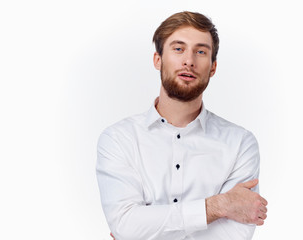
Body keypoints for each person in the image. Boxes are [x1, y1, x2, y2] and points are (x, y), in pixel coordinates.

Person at [96, 11, 268, 240]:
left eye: (200, 51)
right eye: (178, 49)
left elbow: (233, 235)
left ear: (213, 67)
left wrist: (145, 227)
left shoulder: (240, 143)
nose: (189, 61)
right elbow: (125, 226)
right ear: (158, 59)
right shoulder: (118, 139)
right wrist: (218, 206)